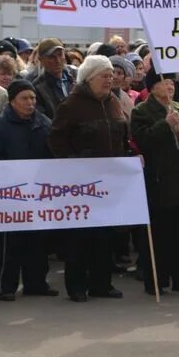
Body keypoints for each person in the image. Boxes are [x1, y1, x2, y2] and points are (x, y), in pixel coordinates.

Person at [48, 55, 129, 302]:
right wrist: (74, 160)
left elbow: (122, 135)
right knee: (80, 237)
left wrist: (130, 156)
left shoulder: (114, 102)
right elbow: (56, 141)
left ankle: (101, 283)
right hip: (80, 182)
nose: (110, 79)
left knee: (105, 236)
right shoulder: (71, 105)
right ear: (89, 78)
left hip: (109, 180)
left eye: (111, 75)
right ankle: (77, 286)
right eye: (104, 76)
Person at [0, 79, 58, 299]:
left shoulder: (44, 123)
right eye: (24, 98)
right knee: (10, 243)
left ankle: (37, 283)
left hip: (38, 193)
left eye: (33, 98)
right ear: (12, 101)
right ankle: (5, 286)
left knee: (38, 242)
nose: (30, 102)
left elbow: (54, 153)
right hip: (10, 195)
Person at [130, 69, 179, 296]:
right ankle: (156, 280)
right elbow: (142, 140)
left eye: (172, 83)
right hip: (158, 181)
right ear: (152, 87)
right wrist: (165, 123)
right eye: (165, 83)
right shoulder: (142, 111)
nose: (170, 87)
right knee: (160, 234)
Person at [30, 38, 77, 120]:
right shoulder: (37, 88)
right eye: (52, 57)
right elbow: (42, 120)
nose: (58, 60)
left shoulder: (76, 77)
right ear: (41, 60)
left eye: (60, 54)